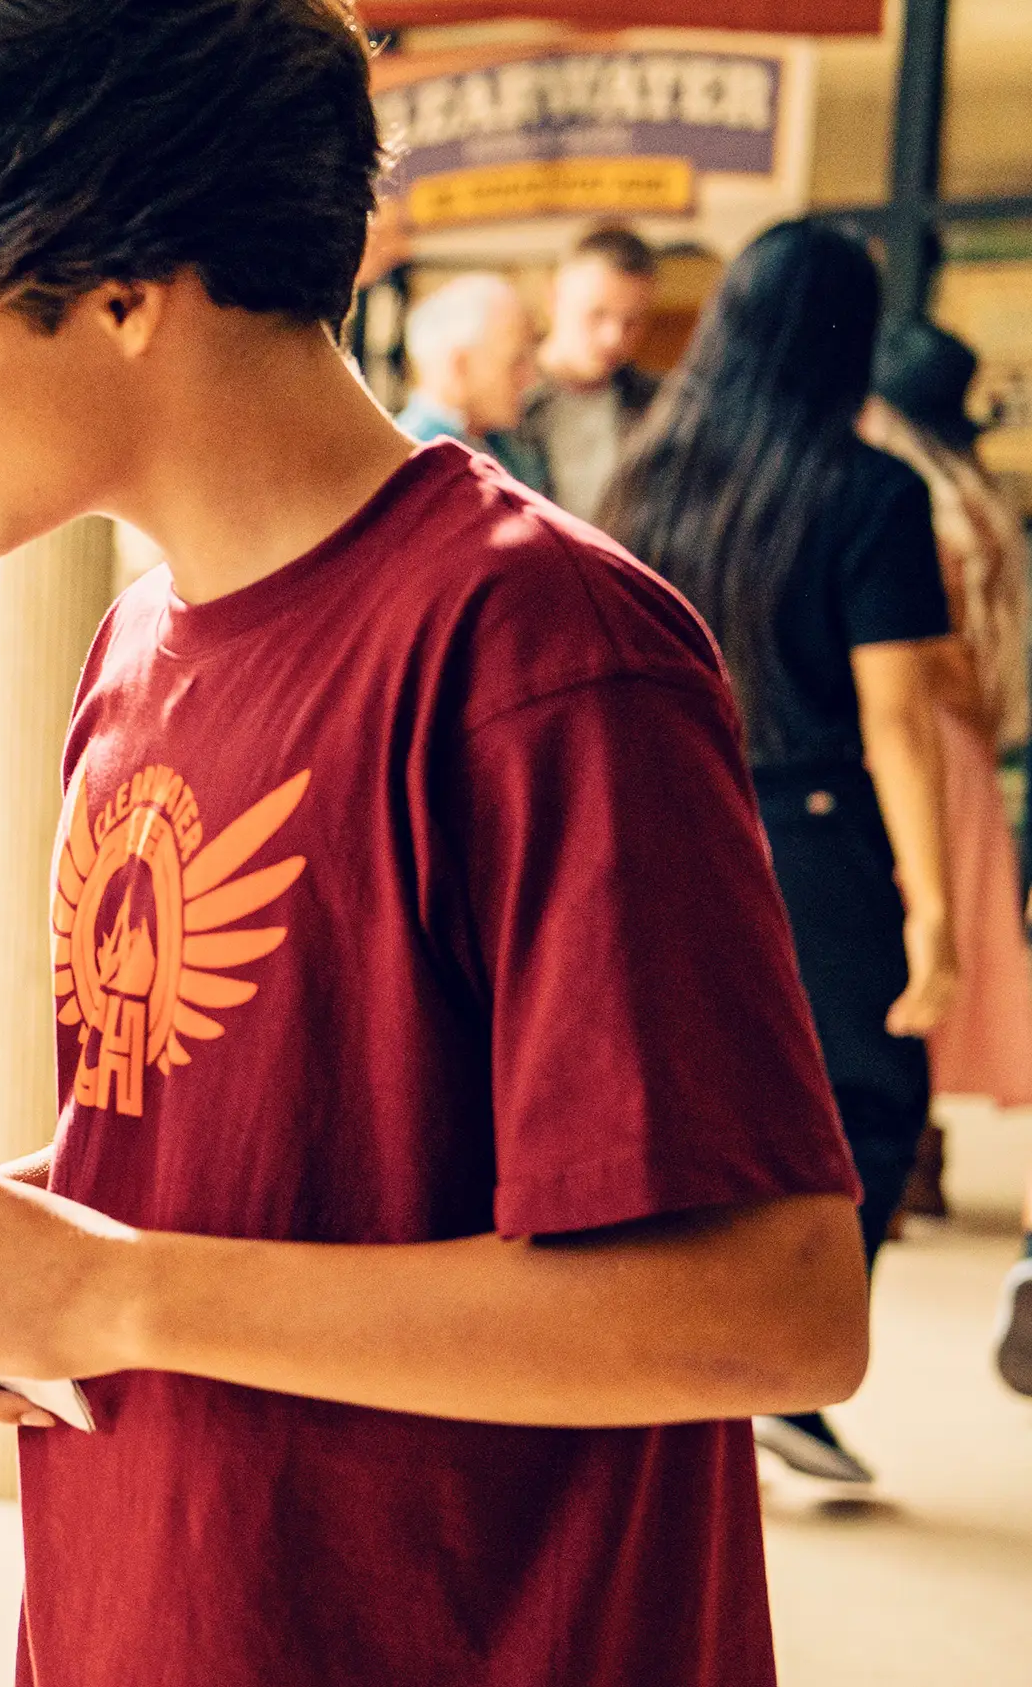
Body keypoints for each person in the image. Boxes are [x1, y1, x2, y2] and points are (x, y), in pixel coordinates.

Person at [0, 4, 871, 1684]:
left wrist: (117, 1295)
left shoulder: (538, 651)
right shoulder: (134, 647)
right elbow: (257, 1172)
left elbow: (776, 1300)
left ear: (118, 292)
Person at [601, 223, 957, 1488]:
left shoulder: (647, 478)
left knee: (683, 1106)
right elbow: (898, 725)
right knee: (863, 1104)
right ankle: (779, 1365)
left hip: (655, 826)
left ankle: (701, 1371)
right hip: (813, 840)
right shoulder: (873, 494)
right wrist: (936, 914)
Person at [854, 319, 1032, 1390]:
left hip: (931, 742)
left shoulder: (906, 492)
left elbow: (934, 661)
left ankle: (902, 1153)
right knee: (958, 945)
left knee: (922, 943)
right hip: (977, 741)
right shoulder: (978, 488)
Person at [503, 224, 662, 524]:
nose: (613, 337)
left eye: (632, 321)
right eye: (597, 314)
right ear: (554, 298)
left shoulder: (660, 405)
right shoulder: (504, 402)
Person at [395, 271, 540, 477]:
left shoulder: (506, 448)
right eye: (515, 363)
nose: (530, 380)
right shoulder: (412, 460)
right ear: (460, 366)